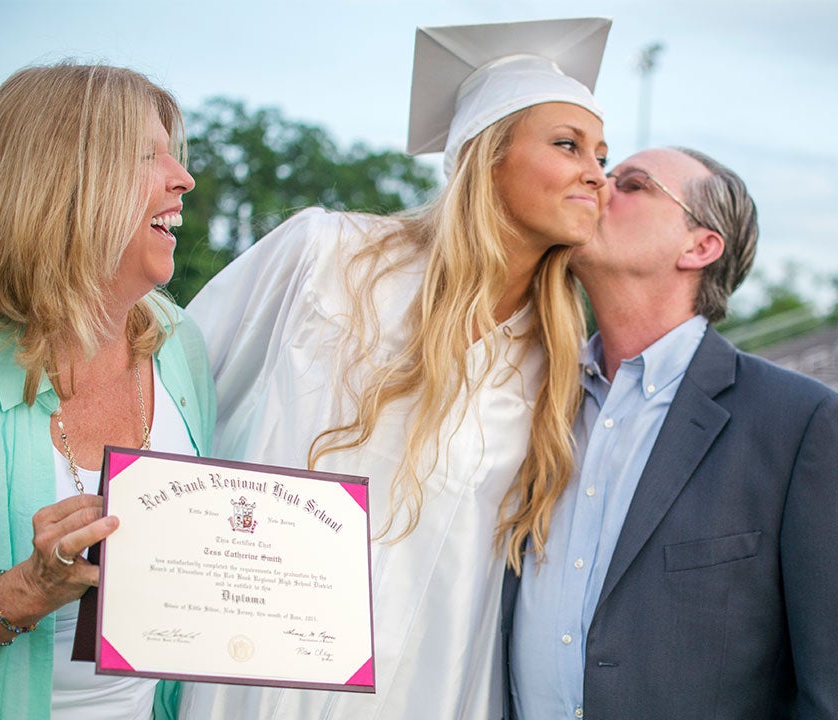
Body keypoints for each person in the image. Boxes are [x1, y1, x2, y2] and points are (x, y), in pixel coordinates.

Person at [178, 18, 611, 720]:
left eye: (602, 153)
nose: (597, 171)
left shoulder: (554, 359)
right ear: (486, 156)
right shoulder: (328, 260)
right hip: (263, 672)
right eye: (567, 145)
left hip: (433, 689)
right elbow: (174, 392)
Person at [503, 147, 838, 719]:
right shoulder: (527, 397)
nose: (598, 187)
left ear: (700, 246)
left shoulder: (797, 422)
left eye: (632, 184)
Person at [0, 64, 214, 720]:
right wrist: (27, 591)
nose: (182, 178)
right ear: (62, 183)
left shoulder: (180, 346)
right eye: (147, 157)